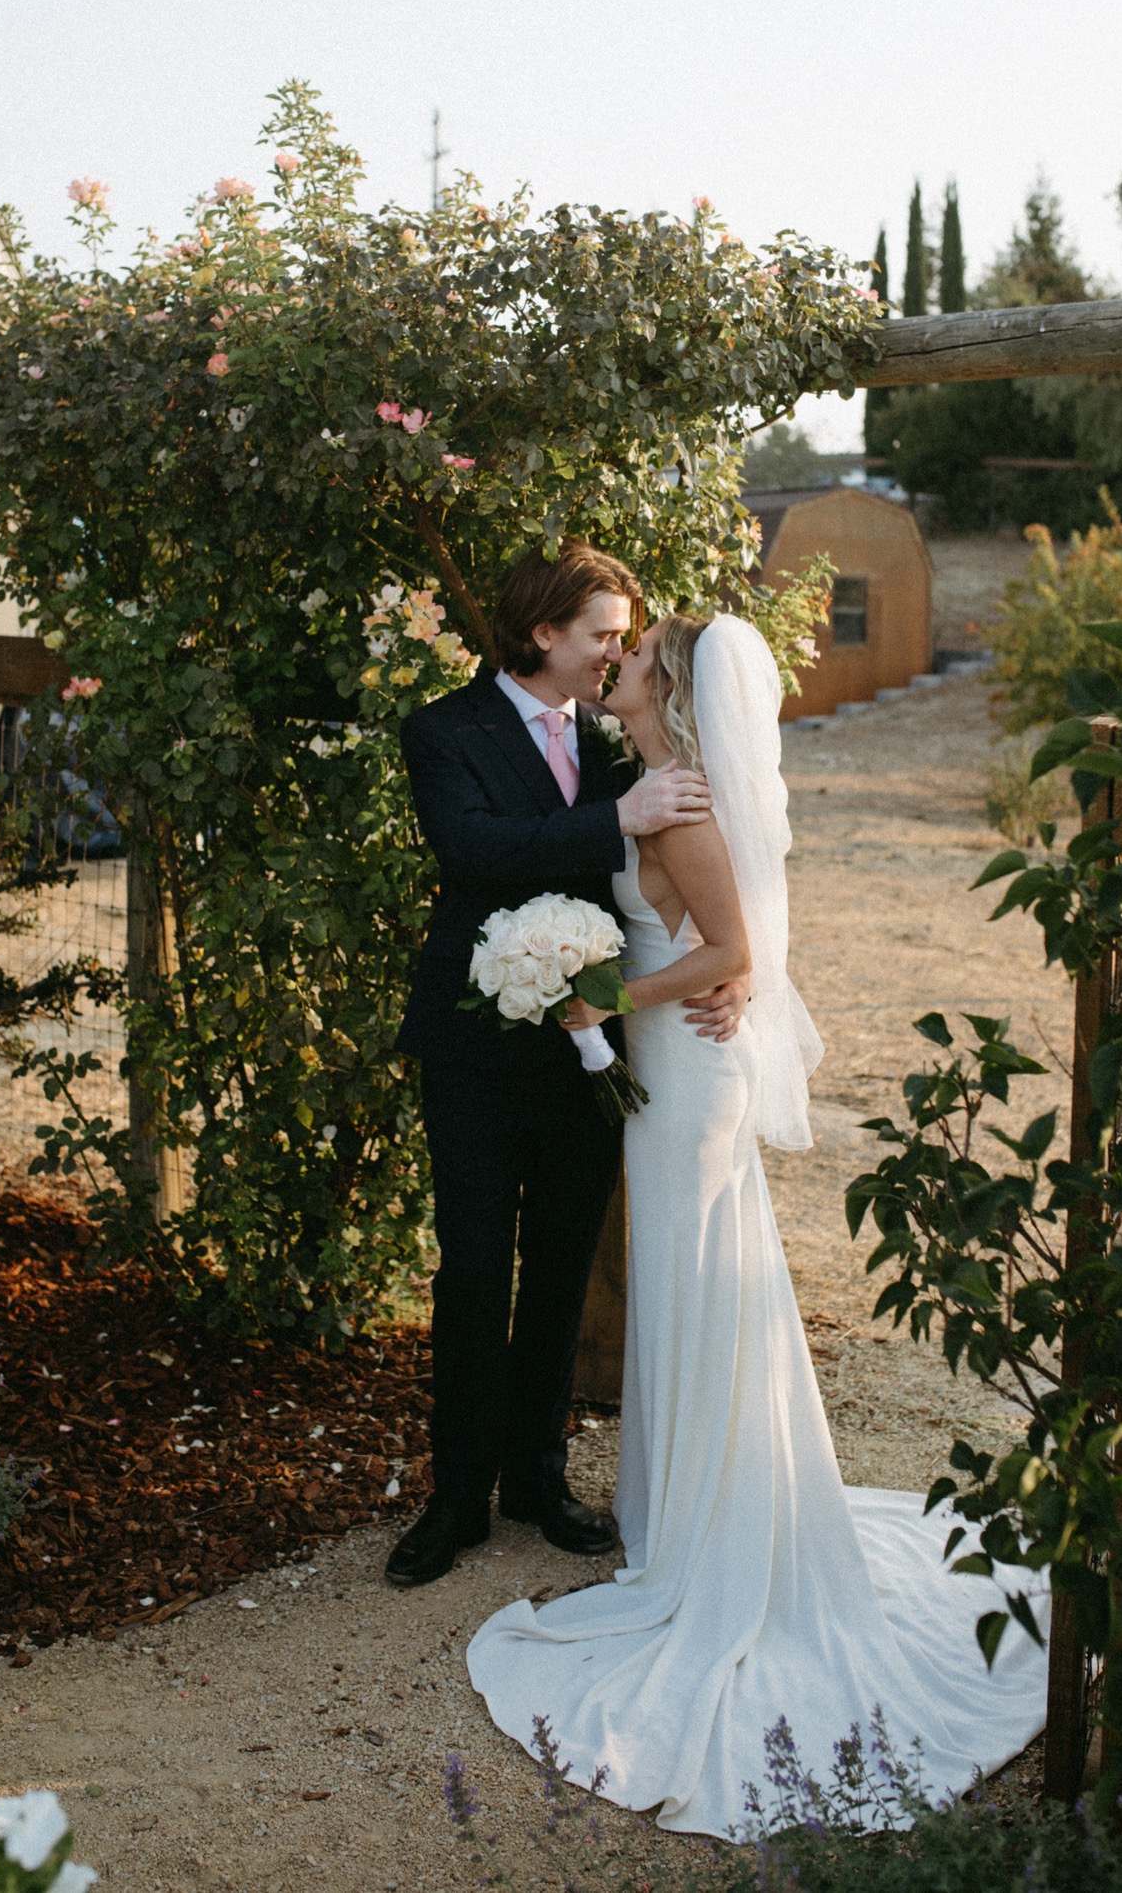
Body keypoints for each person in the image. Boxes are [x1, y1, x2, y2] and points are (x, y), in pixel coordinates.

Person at [466, 613, 1051, 1834]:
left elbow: (731, 947)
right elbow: (719, 949)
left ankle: (711, 1550)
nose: (615, 657)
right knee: (697, 1287)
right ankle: (690, 1525)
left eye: (635, 650)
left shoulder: (678, 804)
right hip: (671, 1065)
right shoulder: (647, 786)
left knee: (703, 1283)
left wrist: (599, 993)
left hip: (687, 1076)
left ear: (667, 685)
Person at [387, 542, 750, 1589]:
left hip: (587, 1054)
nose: (613, 651)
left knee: (559, 1272)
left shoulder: (618, 741)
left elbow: (703, 873)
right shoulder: (442, 732)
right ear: (542, 632)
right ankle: (456, 1497)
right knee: (470, 1272)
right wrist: (613, 819)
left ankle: (538, 1482)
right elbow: (474, 852)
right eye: (600, 632)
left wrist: (735, 970)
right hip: (470, 1052)